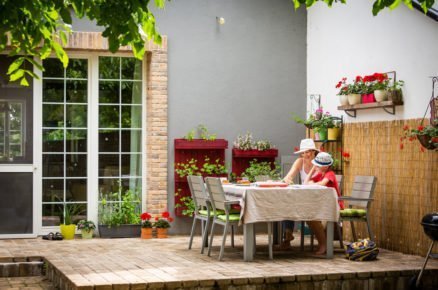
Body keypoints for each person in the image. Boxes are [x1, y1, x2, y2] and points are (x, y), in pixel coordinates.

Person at [280, 139, 319, 249]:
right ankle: (287, 235)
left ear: (313, 151)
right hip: (303, 197)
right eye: (303, 152)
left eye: (308, 152)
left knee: (290, 203)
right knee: (287, 204)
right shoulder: (300, 162)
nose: (306, 155)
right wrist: (287, 180)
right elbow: (288, 176)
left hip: (316, 197)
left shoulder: (319, 163)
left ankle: (287, 236)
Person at [304, 152, 344, 255]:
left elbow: (322, 184)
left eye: (318, 165)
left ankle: (323, 244)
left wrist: (313, 183)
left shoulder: (329, 174)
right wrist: (313, 168)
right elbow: (306, 182)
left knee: (313, 218)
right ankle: (323, 243)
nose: (316, 166)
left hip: (332, 207)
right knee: (309, 217)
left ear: (325, 166)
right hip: (323, 206)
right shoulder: (320, 174)